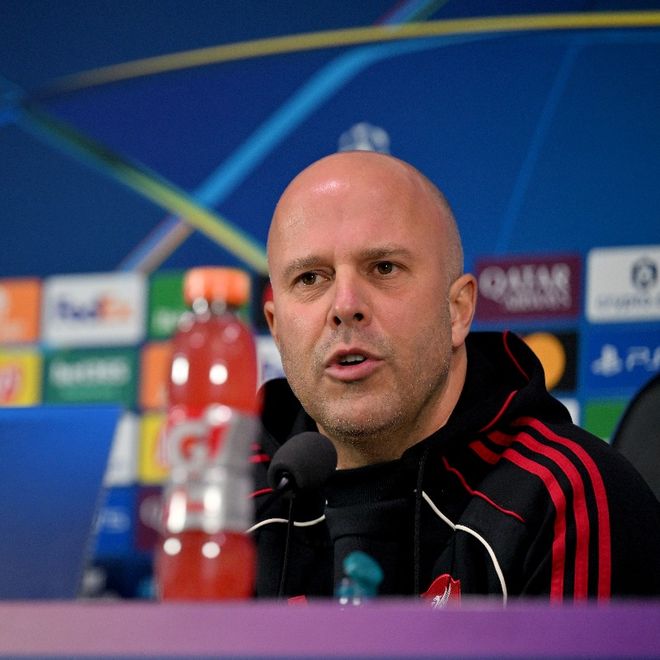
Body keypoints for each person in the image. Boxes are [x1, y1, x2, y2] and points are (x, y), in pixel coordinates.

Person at [249, 150, 660, 603]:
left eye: (384, 268)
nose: (345, 306)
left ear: (458, 310)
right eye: (310, 278)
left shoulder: (564, 499)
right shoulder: (230, 508)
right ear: (276, 327)